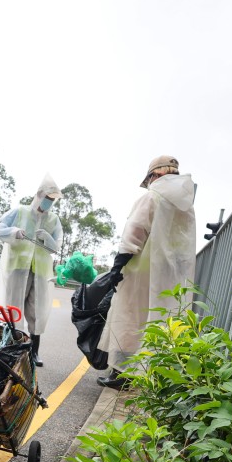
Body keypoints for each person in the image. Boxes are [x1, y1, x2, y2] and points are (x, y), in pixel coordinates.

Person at [96, 155, 196, 389]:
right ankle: (152, 374)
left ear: (155, 175)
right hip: (170, 275)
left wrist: (117, 267)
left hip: (141, 271)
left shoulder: (152, 197)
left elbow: (134, 233)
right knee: (159, 322)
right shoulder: (186, 206)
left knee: (130, 320)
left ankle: (121, 375)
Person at [0, 174, 64, 366]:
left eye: (52, 200)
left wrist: (47, 238)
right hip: (18, 268)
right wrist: (14, 232)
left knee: (37, 311)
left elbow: (56, 246)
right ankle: (11, 349)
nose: (49, 203)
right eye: (47, 198)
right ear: (38, 195)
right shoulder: (20, 211)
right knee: (13, 309)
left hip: (40, 272)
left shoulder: (54, 220)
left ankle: (34, 352)